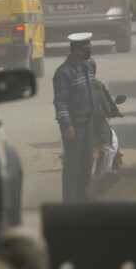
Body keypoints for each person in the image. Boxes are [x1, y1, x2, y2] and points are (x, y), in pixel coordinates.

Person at [53, 33, 99, 203]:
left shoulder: (90, 64)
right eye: (84, 50)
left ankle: (83, 197)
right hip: (74, 126)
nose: (88, 52)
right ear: (74, 50)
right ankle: (70, 200)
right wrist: (66, 125)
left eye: (89, 48)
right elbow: (60, 101)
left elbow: (89, 83)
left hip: (89, 123)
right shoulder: (64, 72)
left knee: (87, 163)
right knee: (73, 165)